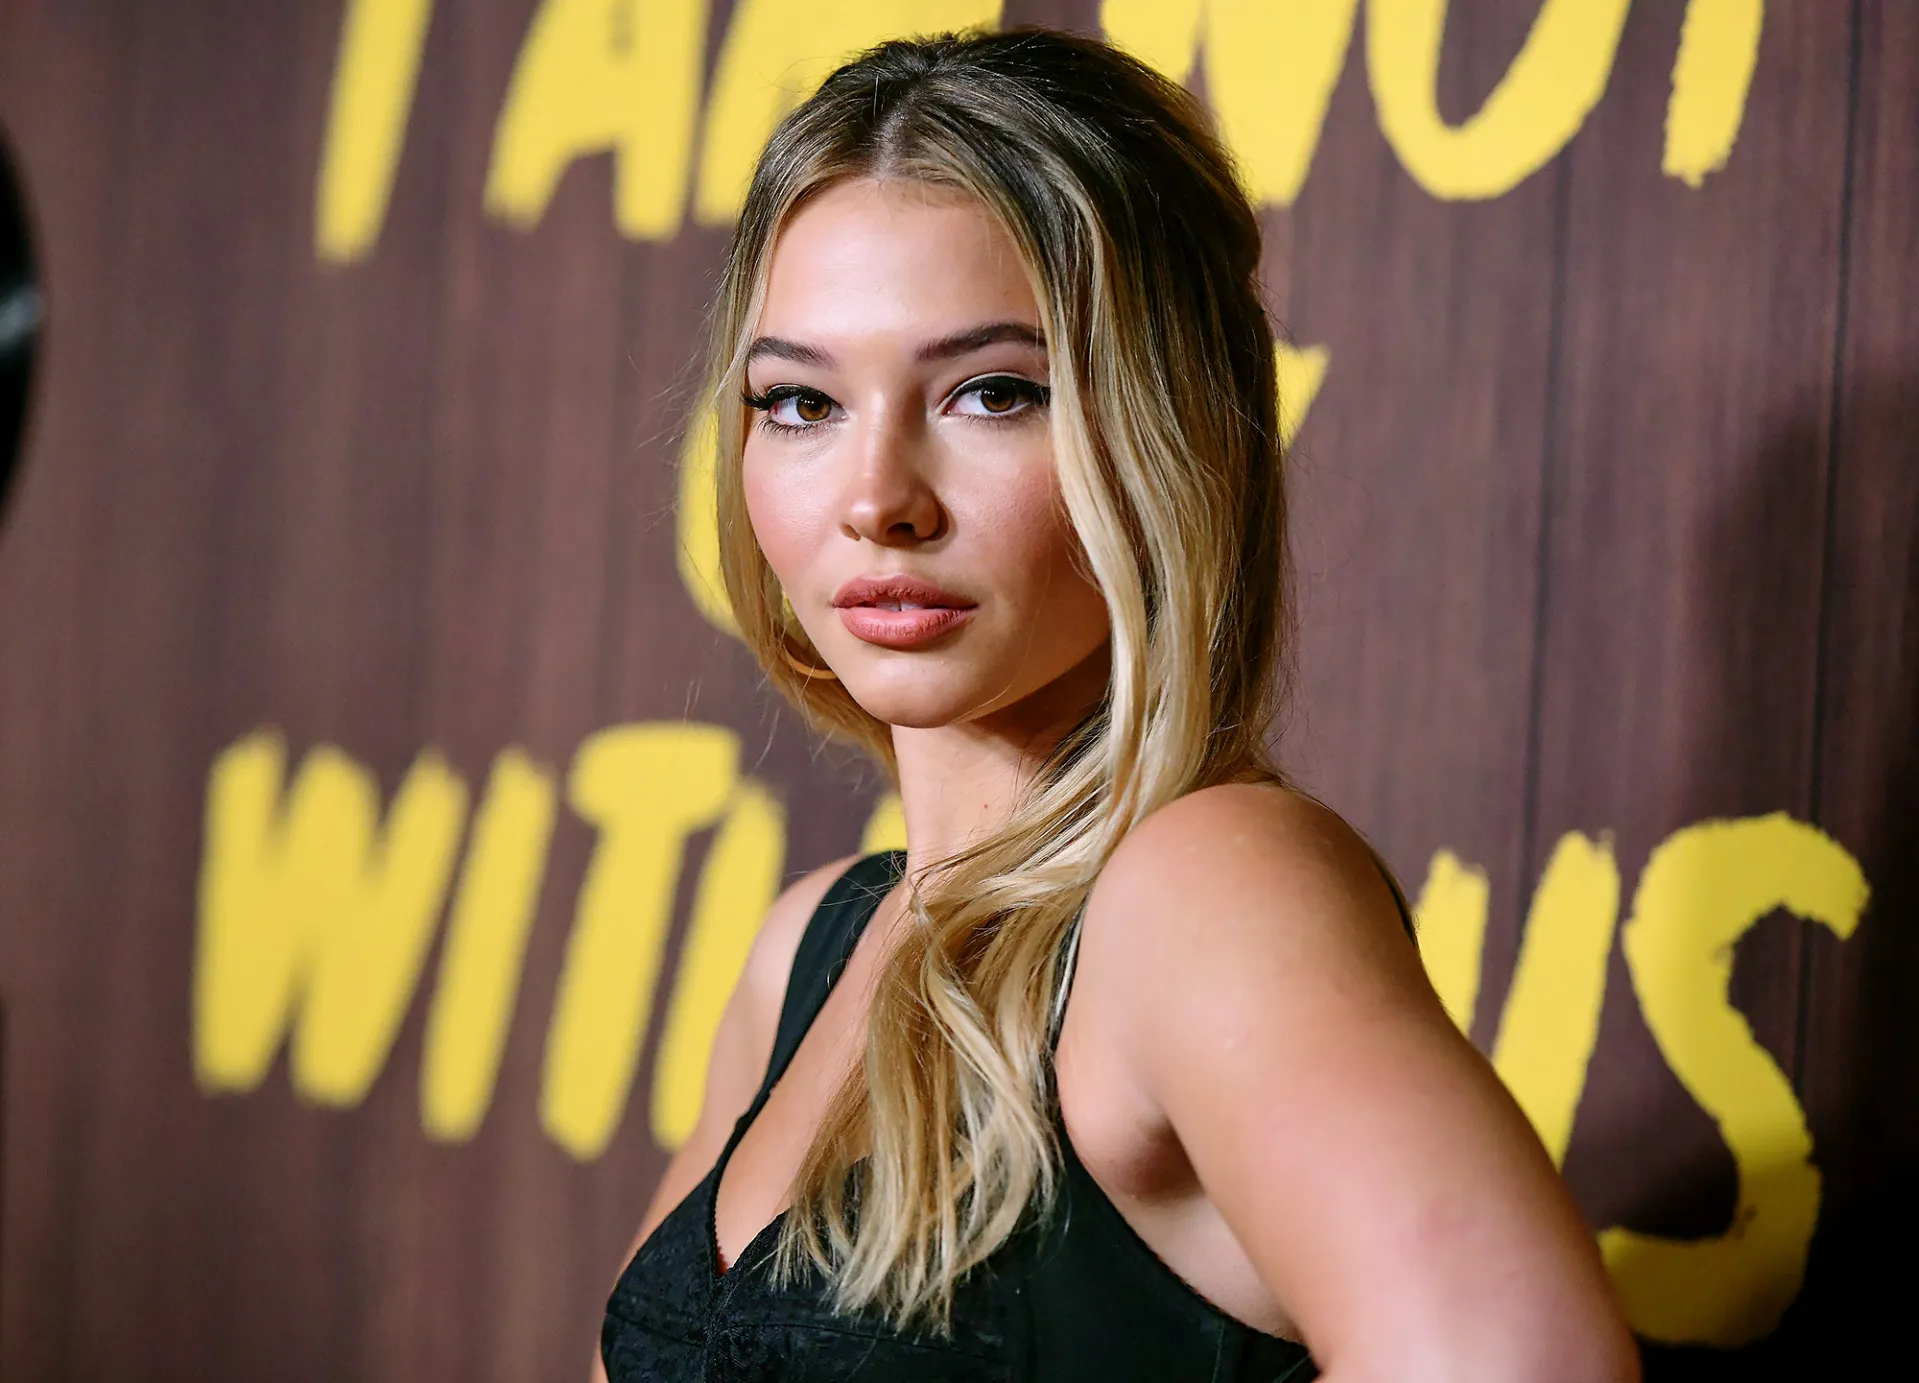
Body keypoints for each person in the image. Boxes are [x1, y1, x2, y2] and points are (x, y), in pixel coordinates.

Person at [592, 26, 1638, 1383]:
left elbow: (1521, 1363)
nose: (875, 497)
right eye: (798, 402)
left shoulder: (1205, 886)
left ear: (1173, 431)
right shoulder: (809, 947)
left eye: (992, 392)